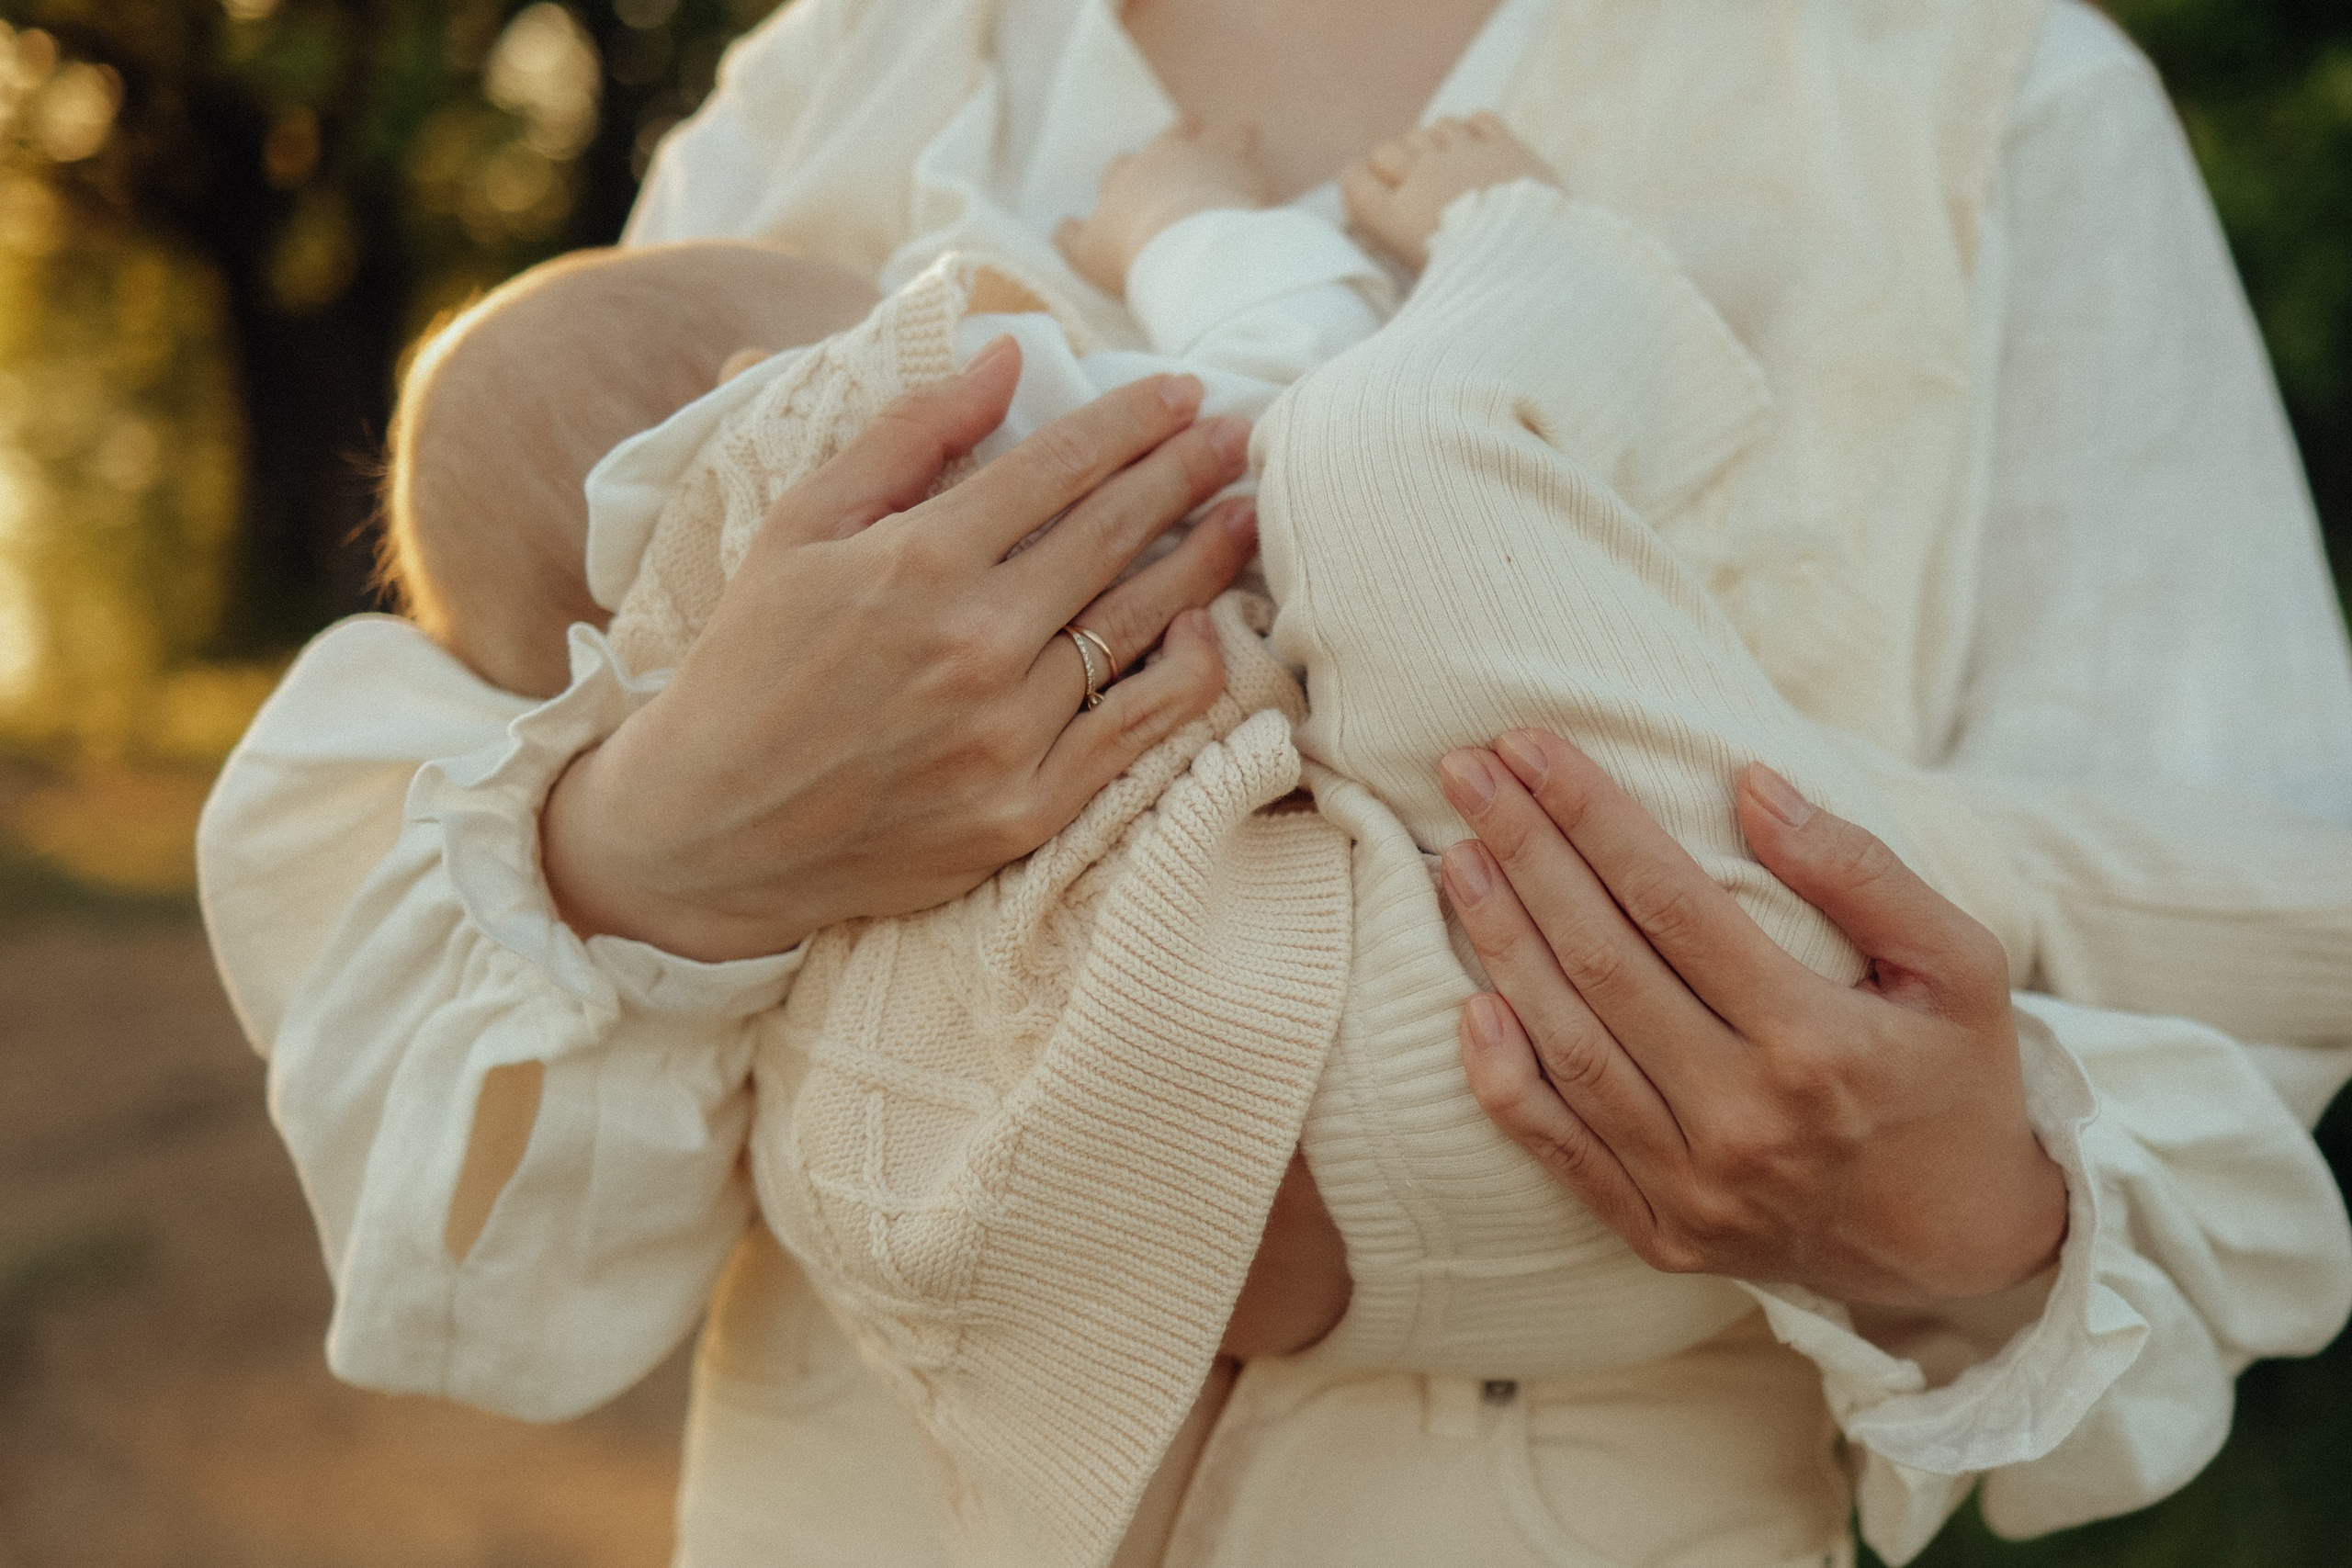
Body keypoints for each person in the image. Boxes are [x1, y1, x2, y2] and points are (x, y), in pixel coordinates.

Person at [197, 0, 2352, 1563]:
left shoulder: (1975, 92)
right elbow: (490, 1253)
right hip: (865, 1507)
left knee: (2027, 877)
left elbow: (2210, 1052)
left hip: (1600, 1476)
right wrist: (661, 833)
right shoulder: (827, 91)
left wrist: (1958, 1218)